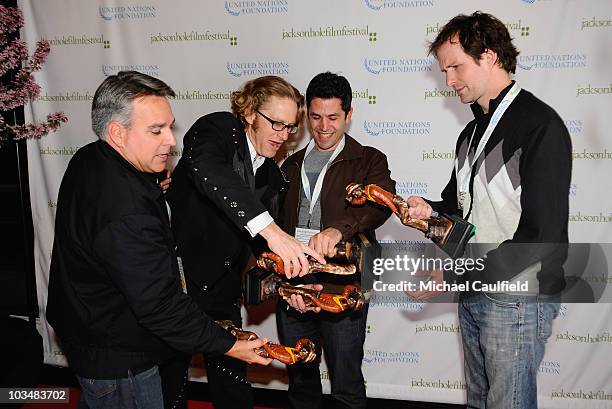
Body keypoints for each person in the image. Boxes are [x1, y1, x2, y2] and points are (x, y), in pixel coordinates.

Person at [46, 71, 271, 409]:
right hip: (121, 361)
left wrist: (150, 188)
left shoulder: (90, 158)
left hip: (90, 337)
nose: (170, 141)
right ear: (117, 133)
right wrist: (230, 345)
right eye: (156, 131)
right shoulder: (126, 209)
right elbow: (160, 305)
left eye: (170, 127)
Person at [405, 12, 571, 408]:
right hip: (477, 288)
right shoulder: (471, 132)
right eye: (444, 70)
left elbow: (540, 235)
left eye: (456, 67)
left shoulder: (539, 125)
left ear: (490, 57)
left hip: (517, 295)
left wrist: (454, 277)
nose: (448, 81)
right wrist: (429, 212)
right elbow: (459, 209)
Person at [166, 76, 324, 409]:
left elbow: (265, 249)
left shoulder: (272, 175)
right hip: (176, 284)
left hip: (222, 291)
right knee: (170, 385)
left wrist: (292, 286)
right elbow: (207, 169)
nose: (282, 136)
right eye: (276, 123)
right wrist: (274, 232)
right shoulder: (219, 129)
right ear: (250, 112)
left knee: (234, 387)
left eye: (290, 128)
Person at [276, 72, 395, 409]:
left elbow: (380, 204)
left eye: (333, 117)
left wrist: (338, 229)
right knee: (300, 380)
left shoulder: (369, 159)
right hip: (295, 281)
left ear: (349, 115)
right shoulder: (290, 163)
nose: (323, 126)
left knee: (346, 383)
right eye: (315, 117)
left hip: (344, 287)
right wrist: (287, 283)